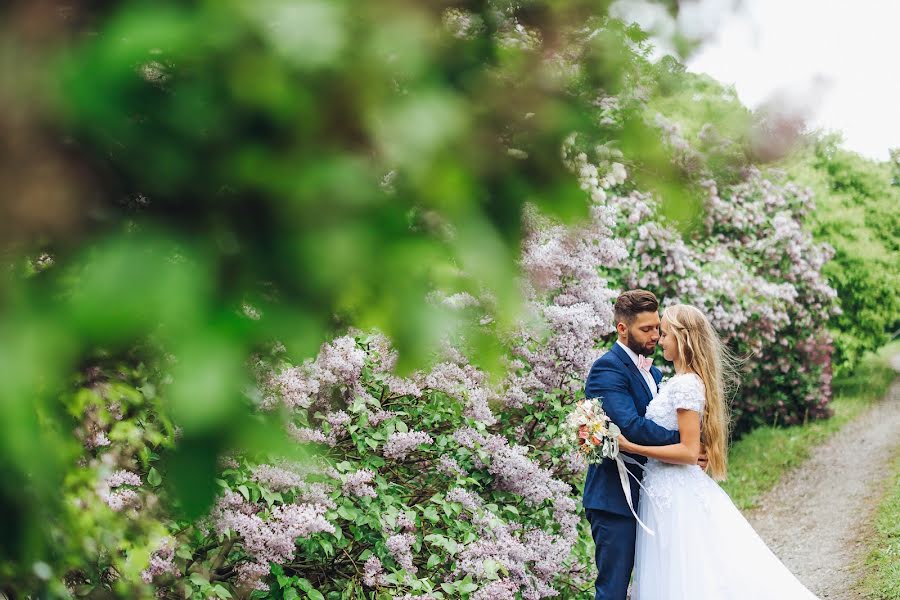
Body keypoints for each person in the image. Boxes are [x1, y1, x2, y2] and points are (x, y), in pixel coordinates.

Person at [617, 303, 819, 599]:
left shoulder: (685, 385)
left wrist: (630, 445)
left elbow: (688, 452)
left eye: (666, 334)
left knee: (690, 571)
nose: (661, 340)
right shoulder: (674, 381)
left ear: (683, 339)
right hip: (662, 489)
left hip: (676, 492)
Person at [582, 290, 706, 600]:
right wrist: (688, 445)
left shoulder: (655, 372)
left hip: (659, 497)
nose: (655, 336)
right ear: (622, 328)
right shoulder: (606, 369)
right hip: (616, 500)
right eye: (646, 329)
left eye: (657, 329)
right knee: (613, 589)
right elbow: (633, 428)